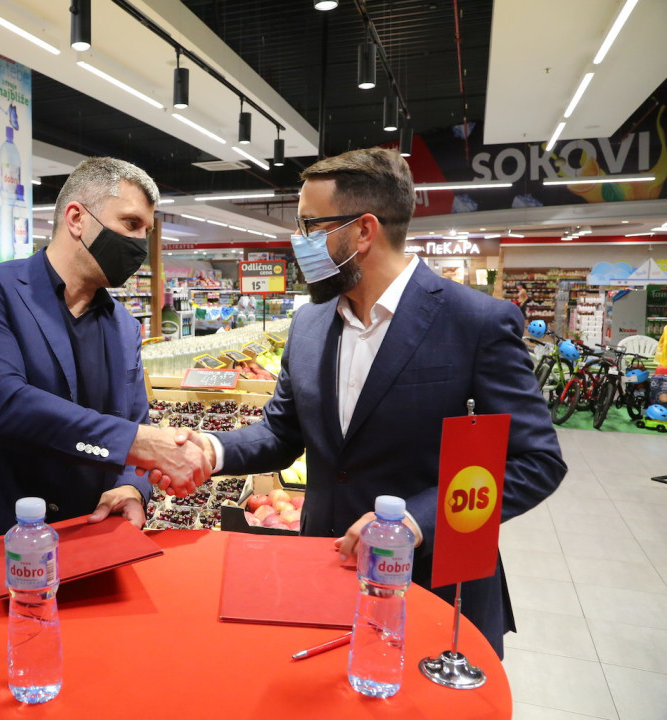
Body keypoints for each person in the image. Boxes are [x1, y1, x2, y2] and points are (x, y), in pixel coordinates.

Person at [164, 148, 566, 657]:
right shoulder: (309, 324)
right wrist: (211, 450)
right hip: (321, 573)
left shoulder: (475, 322)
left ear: (362, 231)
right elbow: (281, 434)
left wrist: (412, 521)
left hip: (430, 589)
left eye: (309, 225)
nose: (297, 241)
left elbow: (535, 461)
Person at [0, 156, 210, 545]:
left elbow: (136, 419)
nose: (140, 243)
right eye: (131, 224)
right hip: (0, 541)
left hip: (92, 538)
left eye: (147, 231)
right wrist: (139, 445)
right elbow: (1, 403)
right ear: (76, 219)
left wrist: (132, 486)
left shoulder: (124, 326)